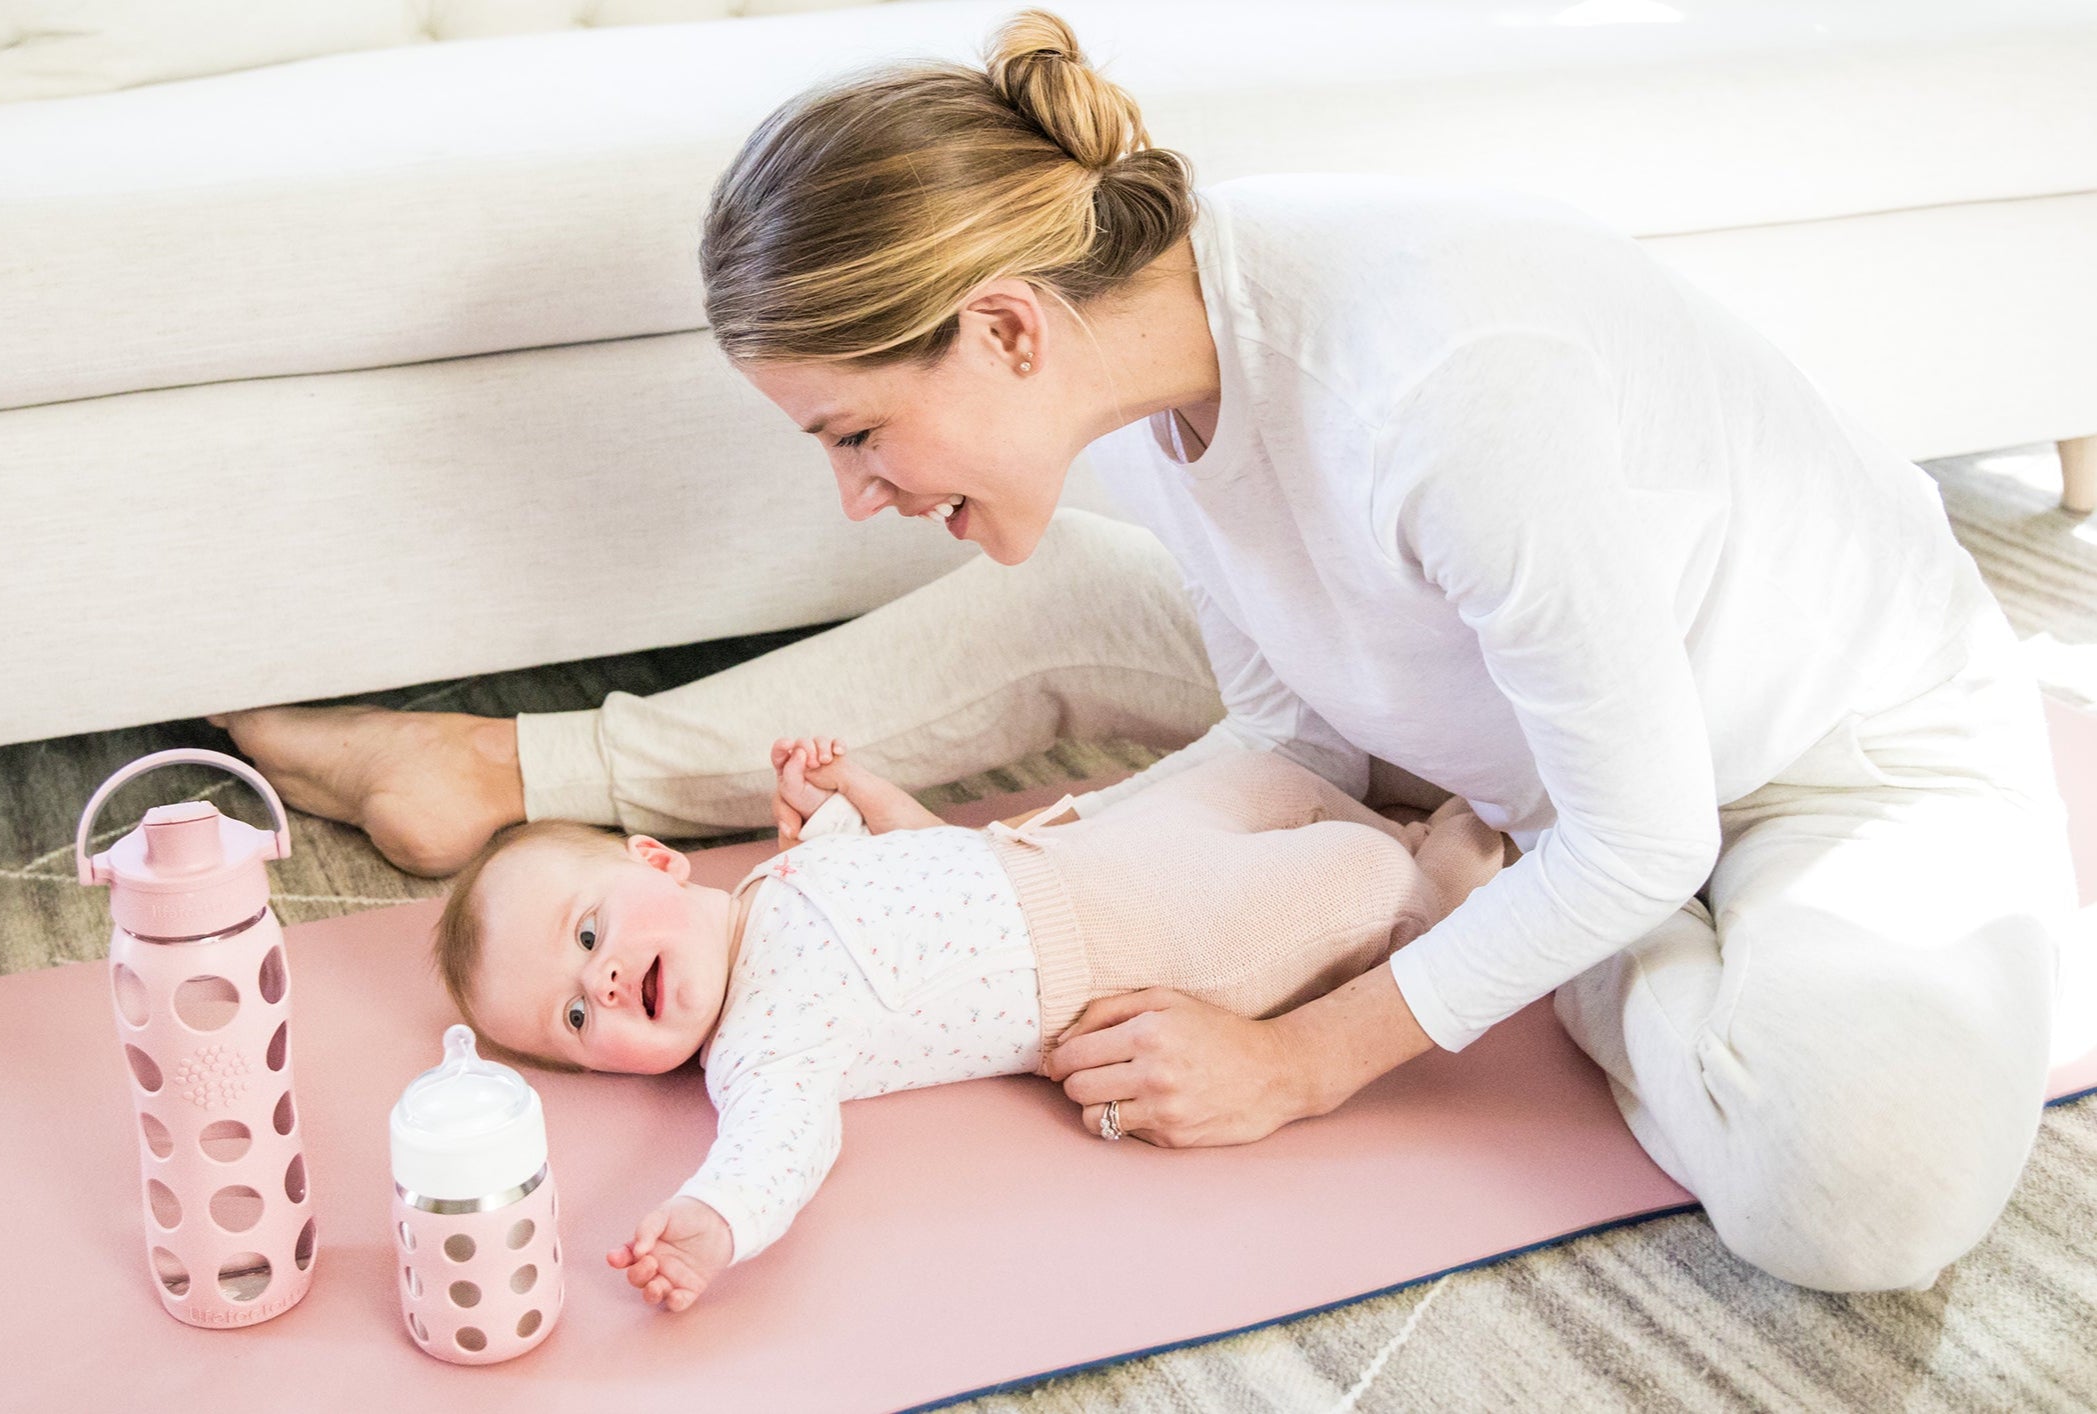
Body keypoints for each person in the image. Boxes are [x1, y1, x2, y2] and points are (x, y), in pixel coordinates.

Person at [214, 8, 2079, 1292]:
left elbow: (1638, 818)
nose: (857, 494)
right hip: (1477, 734)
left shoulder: (1440, 395)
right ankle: (517, 770)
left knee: (1862, 1177)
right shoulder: (1164, 360)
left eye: (856, 432)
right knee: (1061, 606)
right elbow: (1287, 711)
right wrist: (1075, 879)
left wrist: (1312, 1048)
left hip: (1813, 762)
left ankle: (1543, 930)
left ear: (1008, 331)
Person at [437, 735, 1502, 1311]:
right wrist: (711, 1223)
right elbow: (777, 1147)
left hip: (1073, 843)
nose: (609, 982)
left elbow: (918, 848)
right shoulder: (763, 1041)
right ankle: (1445, 881)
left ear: (658, 861)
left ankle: (1383, 809)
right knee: (1351, 885)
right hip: (1126, 947)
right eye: (578, 1017)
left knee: (1266, 771)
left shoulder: (776, 875)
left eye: (588, 936)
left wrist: (856, 791)